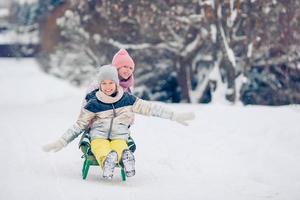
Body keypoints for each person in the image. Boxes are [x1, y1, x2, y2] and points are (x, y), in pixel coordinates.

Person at [43, 65, 195, 180]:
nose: (108, 87)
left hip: (119, 136)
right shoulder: (93, 103)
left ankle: (127, 160)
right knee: (99, 147)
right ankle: (107, 163)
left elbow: (150, 108)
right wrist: (62, 141)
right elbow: (79, 125)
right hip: (98, 136)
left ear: (116, 83)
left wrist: (174, 115)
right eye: (104, 83)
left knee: (121, 146)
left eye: (111, 83)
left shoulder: (127, 99)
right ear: (99, 85)